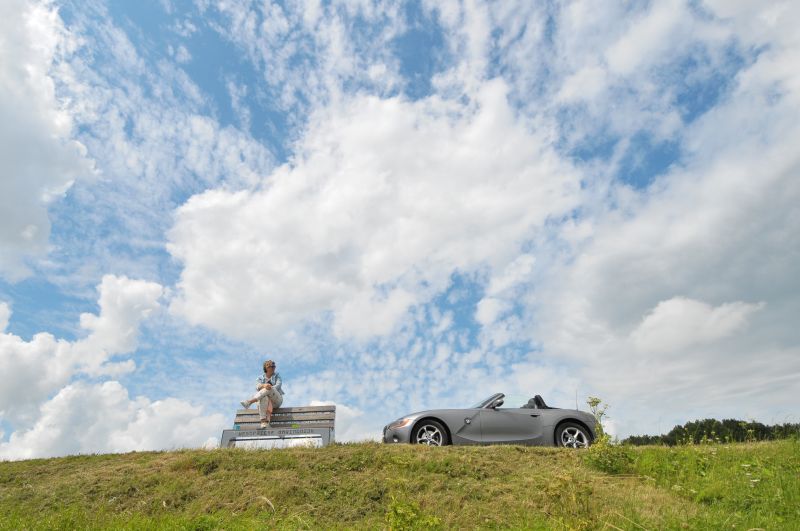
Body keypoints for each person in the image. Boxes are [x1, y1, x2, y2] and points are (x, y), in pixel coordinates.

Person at [240, 360, 284, 428]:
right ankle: (263, 421)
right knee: (264, 397)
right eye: (271, 366)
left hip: (276, 401)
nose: (273, 367)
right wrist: (264, 386)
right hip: (265, 403)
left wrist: (268, 387)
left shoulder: (277, 376)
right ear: (266, 368)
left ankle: (250, 402)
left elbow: (278, 385)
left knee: (270, 388)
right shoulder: (260, 378)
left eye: (274, 366)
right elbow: (257, 387)